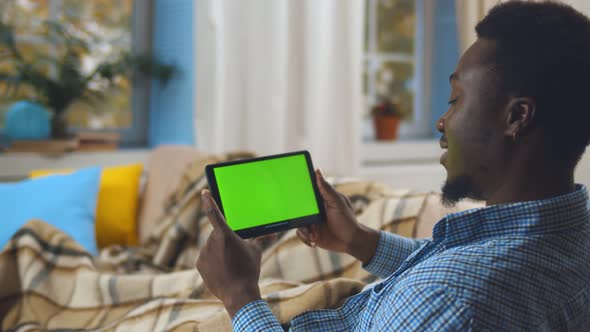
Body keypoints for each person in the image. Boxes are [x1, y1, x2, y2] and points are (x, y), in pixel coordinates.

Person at [196, 1, 590, 330]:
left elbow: (449, 289)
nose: (442, 121)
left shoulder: (452, 298)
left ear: (517, 117)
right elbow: (447, 266)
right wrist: (359, 239)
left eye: (455, 99)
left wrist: (240, 295)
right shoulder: (569, 235)